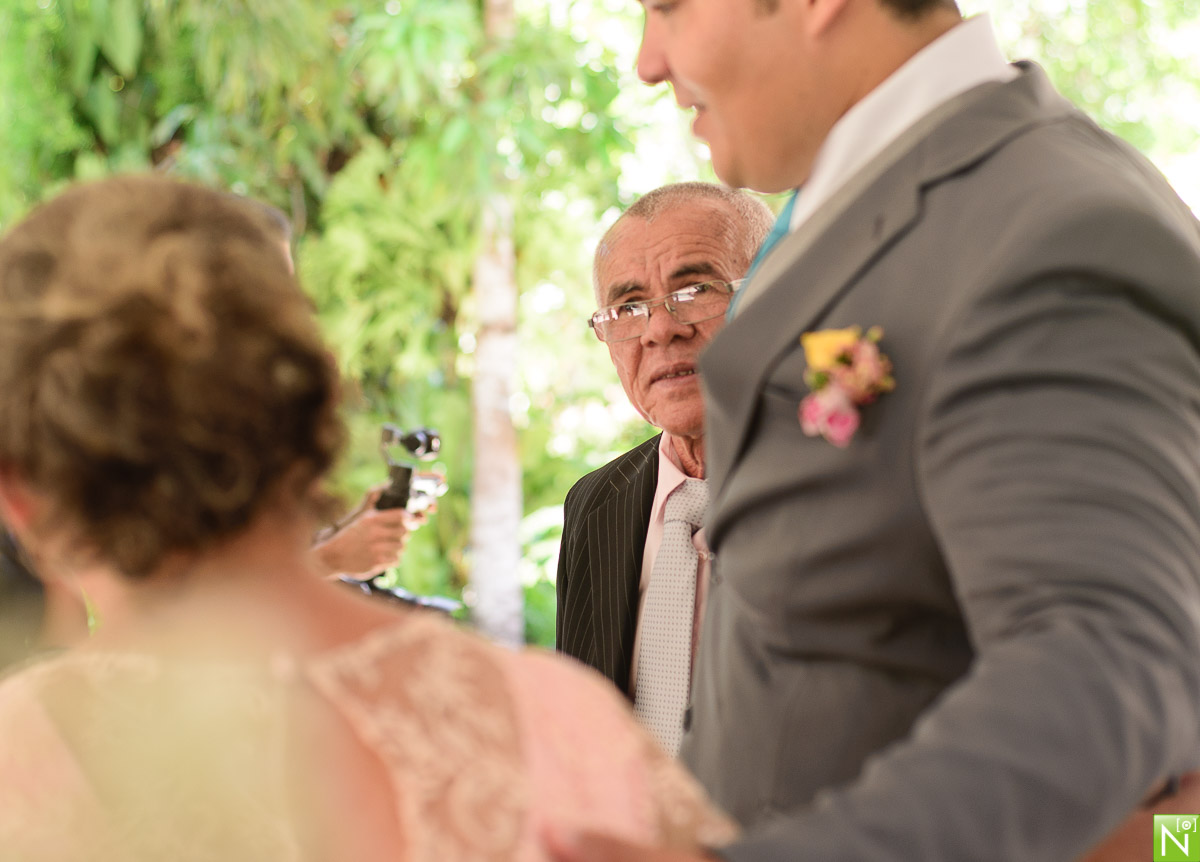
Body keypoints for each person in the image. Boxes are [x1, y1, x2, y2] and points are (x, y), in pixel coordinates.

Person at [548, 1, 1200, 861]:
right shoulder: (856, 219)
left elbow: (1106, 664)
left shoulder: (1049, 226)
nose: (647, 60)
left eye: (668, 7)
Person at [0, 175, 733, 860]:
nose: (660, 330)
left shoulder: (23, 764)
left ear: (20, 496)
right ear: (313, 403)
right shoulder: (556, 723)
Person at [556, 182, 771, 753]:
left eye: (695, 289)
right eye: (628, 308)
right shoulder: (593, 505)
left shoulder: (846, 480)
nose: (660, 329)